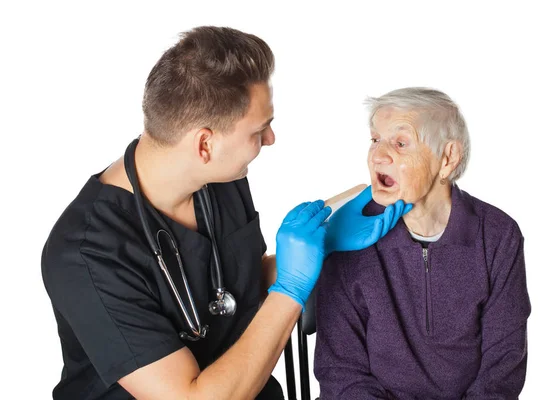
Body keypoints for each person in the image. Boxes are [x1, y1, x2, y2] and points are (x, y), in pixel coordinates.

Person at [41, 26, 410, 400]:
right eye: (259, 130)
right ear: (205, 143)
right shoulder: (86, 255)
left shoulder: (217, 177)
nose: (270, 140)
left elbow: (232, 289)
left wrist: (317, 247)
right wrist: (291, 289)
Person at [314, 87, 531, 399]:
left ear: (448, 158)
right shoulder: (351, 232)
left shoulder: (497, 235)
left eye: (400, 143)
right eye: (375, 140)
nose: (378, 155)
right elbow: (341, 372)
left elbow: (502, 368)